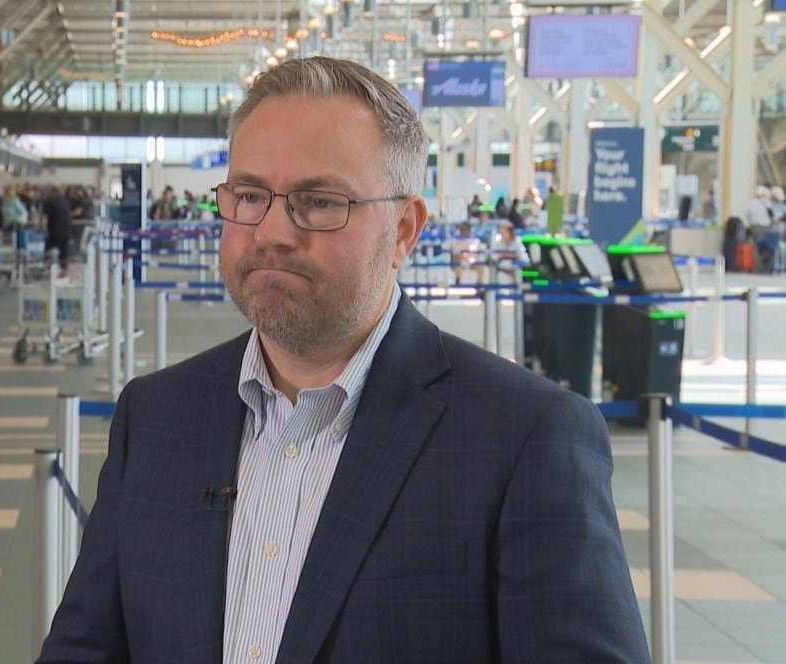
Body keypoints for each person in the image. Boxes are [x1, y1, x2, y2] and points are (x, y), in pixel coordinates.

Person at [38, 56, 648, 663]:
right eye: (249, 195)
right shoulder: (155, 417)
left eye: (321, 202)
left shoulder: (525, 437)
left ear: (404, 230)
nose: (272, 231)